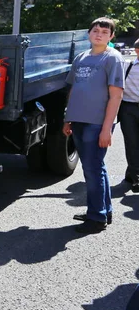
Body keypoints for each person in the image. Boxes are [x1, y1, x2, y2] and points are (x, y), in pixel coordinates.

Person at [65, 17, 124, 234]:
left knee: (92, 170)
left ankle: (96, 218)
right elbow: (73, 90)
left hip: (96, 124)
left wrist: (107, 128)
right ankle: (102, 211)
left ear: (111, 37)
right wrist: (67, 118)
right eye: (96, 30)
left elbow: (116, 96)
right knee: (95, 169)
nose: (99, 34)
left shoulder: (113, 58)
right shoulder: (81, 57)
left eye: (104, 32)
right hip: (79, 121)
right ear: (89, 33)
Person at [118, 38, 139, 193]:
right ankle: (136, 177)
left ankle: (131, 174)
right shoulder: (128, 65)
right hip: (128, 108)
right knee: (132, 143)